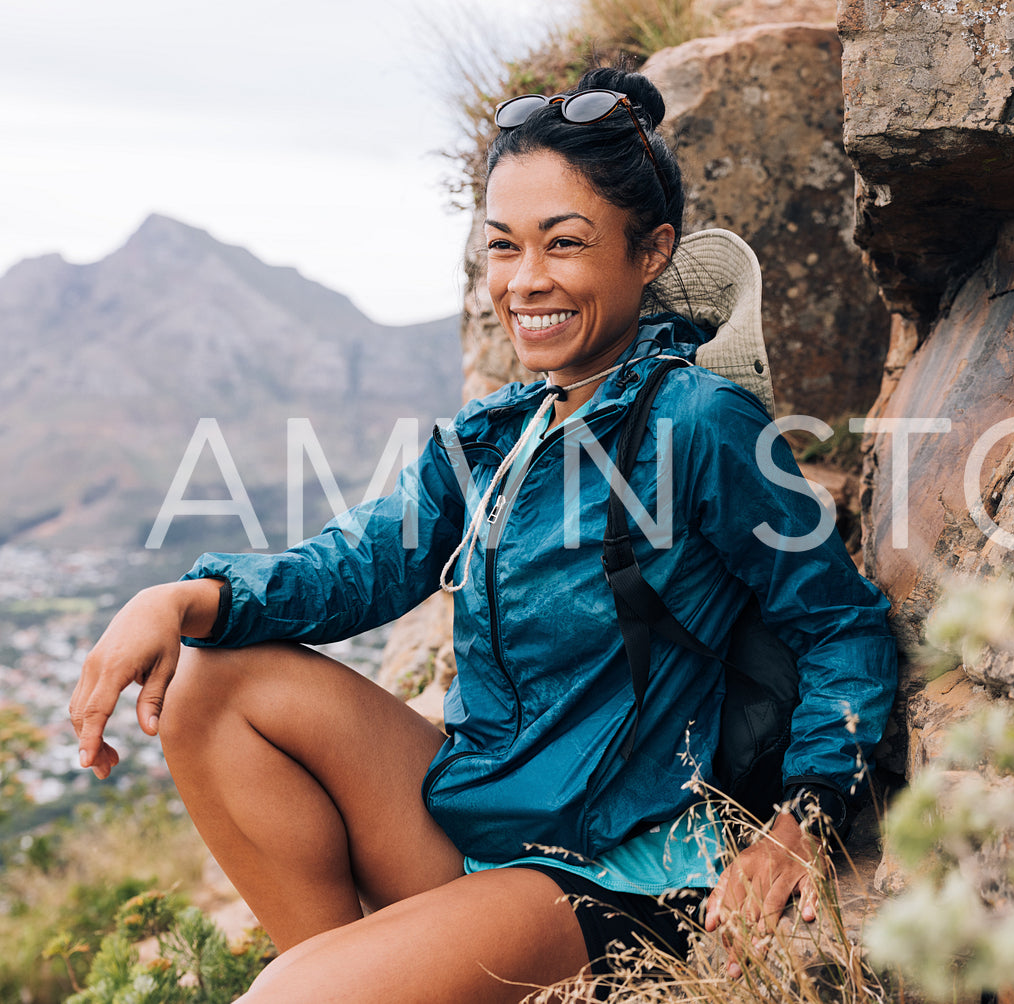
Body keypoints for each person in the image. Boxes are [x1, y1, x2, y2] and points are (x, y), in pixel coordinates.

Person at [69, 66, 897, 1002]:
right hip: (489, 820)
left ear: (651, 251)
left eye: (565, 244)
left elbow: (841, 625)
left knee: (290, 997)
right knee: (209, 683)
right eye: (503, 247)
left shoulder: (700, 423)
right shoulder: (500, 432)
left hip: (615, 866)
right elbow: (362, 568)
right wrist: (177, 597)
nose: (525, 280)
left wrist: (801, 821)